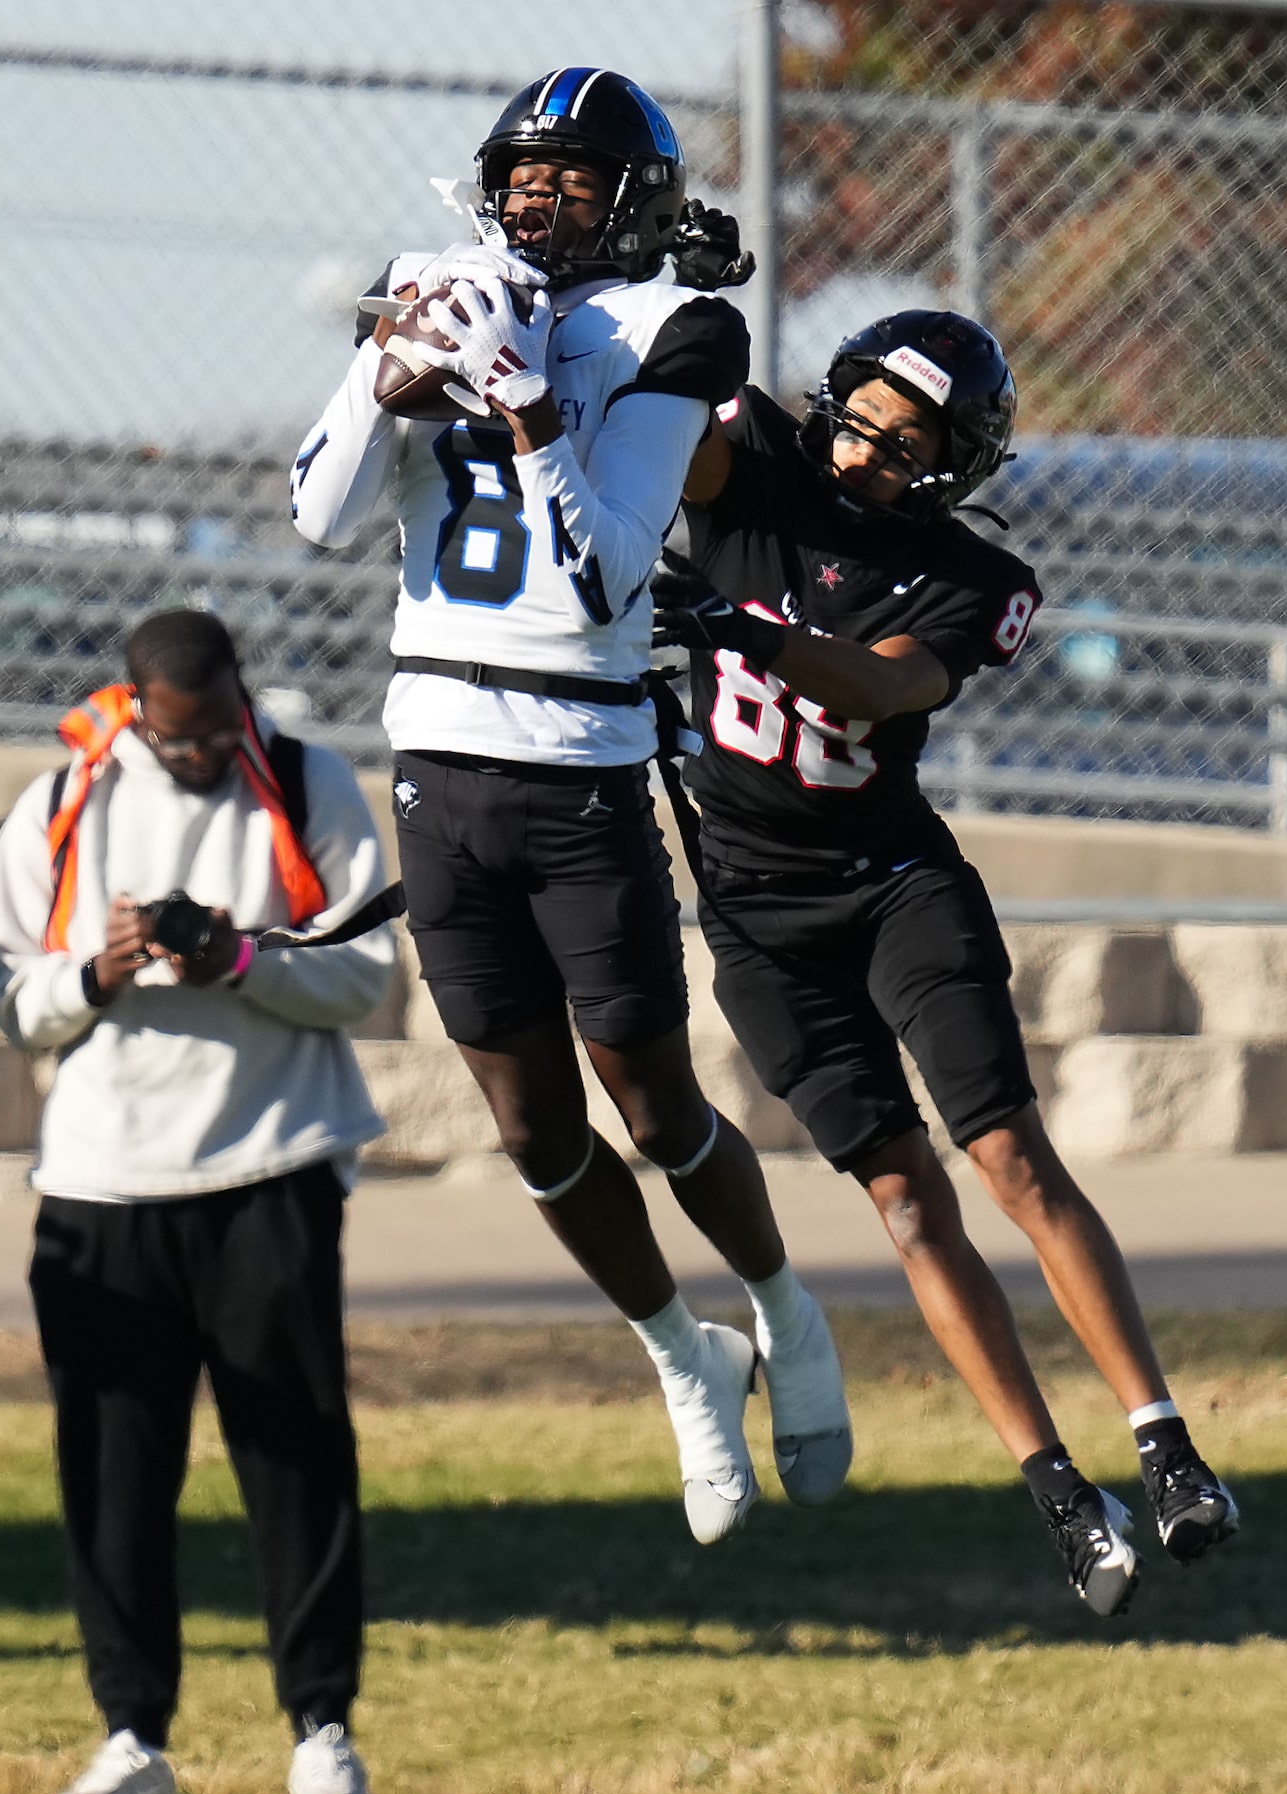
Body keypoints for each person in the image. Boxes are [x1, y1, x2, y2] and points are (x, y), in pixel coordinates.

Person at [289, 67, 849, 1547]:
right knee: (533, 1124)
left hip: (578, 756)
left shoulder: (673, 328)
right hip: (437, 746)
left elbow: (604, 577)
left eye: (572, 180)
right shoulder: (432, 282)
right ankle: (681, 1352)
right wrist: (388, 381)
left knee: (651, 1100)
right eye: (521, 177)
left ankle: (784, 1306)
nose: (536, 203)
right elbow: (321, 514)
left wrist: (535, 404)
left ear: (636, 199)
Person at [659, 311, 1237, 1617]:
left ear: (951, 463)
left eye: (901, 439)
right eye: (858, 415)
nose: (863, 450)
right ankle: (1060, 1492)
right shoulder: (753, 463)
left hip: (892, 889)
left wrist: (735, 631)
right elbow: (673, 423)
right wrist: (689, 318)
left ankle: (1164, 1444)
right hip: (756, 916)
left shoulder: (976, 577)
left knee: (1010, 1156)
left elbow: (876, 689)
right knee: (908, 1203)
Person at [0, 609, 398, 1794]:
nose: (208, 751)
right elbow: (13, 1001)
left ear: (240, 696)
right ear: (136, 710)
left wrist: (236, 957)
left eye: (223, 727)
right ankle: (130, 1740)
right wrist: (99, 973)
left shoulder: (307, 781)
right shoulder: (64, 799)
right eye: (184, 737)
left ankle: (322, 1731)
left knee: (296, 1455)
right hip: (103, 1185)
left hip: (272, 1168)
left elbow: (365, 974)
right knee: (113, 1473)